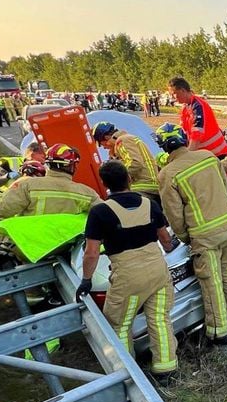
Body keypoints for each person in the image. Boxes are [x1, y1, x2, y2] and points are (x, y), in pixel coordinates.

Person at [76, 161, 178, 381]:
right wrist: (171, 246)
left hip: (128, 276)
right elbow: (165, 238)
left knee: (120, 323)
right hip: (158, 269)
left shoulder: (100, 211)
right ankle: (166, 368)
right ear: (129, 179)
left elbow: (92, 252)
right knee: (159, 319)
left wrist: (86, 280)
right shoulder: (149, 203)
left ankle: (126, 373)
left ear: (104, 184)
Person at [154, 123, 227, 346]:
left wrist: (184, 237)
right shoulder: (208, 157)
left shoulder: (167, 174)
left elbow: (174, 214)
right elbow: (223, 185)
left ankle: (219, 331)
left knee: (212, 282)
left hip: (203, 235)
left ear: (163, 148)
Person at [0, 143, 101, 266]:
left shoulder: (27, 184)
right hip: (62, 247)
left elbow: (2, 210)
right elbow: (106, 216)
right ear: (74, 166)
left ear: (48, 163)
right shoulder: (87, 193)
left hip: (27, 247)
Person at [93, 121, 160, 203]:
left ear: (106, 137)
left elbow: (135, 163)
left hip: (142, 187)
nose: (103, 147)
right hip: (146, 186)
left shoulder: (122, 140)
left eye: (100, 144)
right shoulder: (124, 142)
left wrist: (117, 181)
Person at [169, 76, 227, 161]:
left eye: (174, 93)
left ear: (182, 90)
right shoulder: (186, 107)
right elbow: (183, 131)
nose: (173, 97)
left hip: (216, 154)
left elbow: (196, 137)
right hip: (205, 154)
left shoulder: (198, 107)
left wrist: (185, 159)